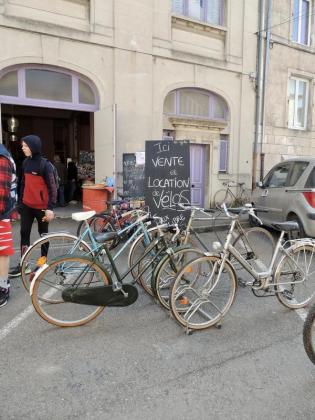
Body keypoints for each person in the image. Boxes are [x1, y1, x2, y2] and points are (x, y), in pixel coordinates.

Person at [9, 135, 57, 278]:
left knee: (43, 235)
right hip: (27, 206)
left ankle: (42, 263)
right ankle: (25, 264)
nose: (22, 148)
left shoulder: (45, 165)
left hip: (42, 208)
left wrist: (50, 207)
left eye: (25, 145)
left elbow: (53, 188)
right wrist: (20, 202)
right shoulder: (25, 163)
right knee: (24, 233)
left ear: (33, 146)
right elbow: (23, 183)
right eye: (22, 145)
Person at [0, 143, 17, 307]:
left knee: (2, 251)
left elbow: (2, 193)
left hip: (2, 213)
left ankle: (3, 287)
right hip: (5, 211)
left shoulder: (2, 158)